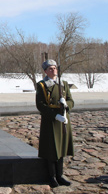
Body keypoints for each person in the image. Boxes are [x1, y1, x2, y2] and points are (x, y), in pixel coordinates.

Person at [36, 59, 74, 188]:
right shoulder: (42, 85)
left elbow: (71, 100)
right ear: (45, 71)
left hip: (63, 119)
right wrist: (55, 116)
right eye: (50, 69)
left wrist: (66, 105)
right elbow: (40, 105)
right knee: (52, 149)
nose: (53, 70)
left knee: (62, 148)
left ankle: (60, 175)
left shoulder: (63, 83)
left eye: (55, 68)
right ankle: (51, 177)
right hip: (51, 120)